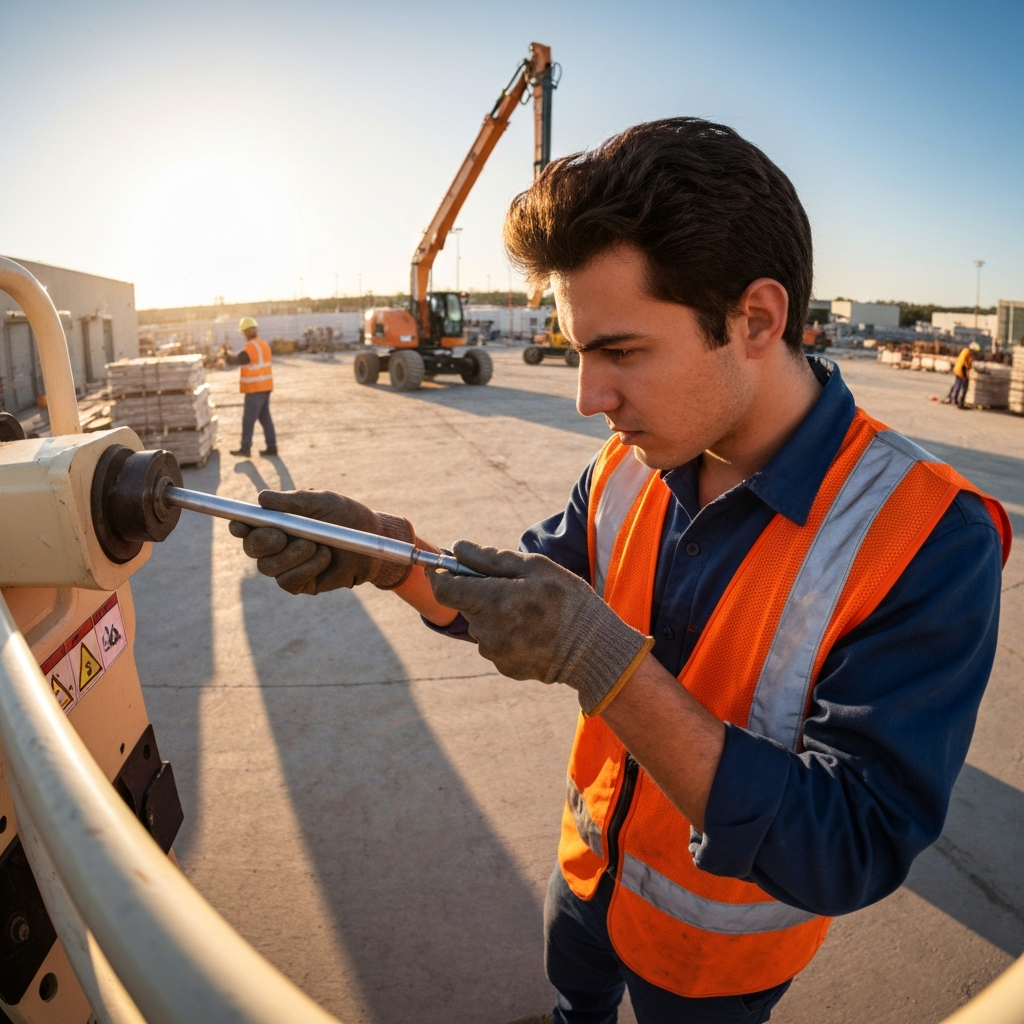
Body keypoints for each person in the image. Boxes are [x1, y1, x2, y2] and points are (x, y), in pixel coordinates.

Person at [228, 119, 1010, 1024]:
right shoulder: (627, 463)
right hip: (589, 876)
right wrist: (387, 551)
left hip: (713, 959)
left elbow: (854, 844)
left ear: (756, 317)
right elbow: (525, 601)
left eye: (623, 351)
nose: (587, 396)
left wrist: (606, 664)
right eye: (581, 348)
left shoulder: (926, 533)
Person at [224, 316, 277, 458]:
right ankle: (272, 447)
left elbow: (239, 359)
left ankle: (245, 449)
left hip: (255, 389)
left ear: (245, 332)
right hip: (266, 386)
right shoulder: (263, 344)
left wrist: (226, 356)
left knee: (248, 420)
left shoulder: (250, 347)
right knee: (265, 418)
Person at [946, 341, 981, 408]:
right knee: (958, 385)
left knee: (956, 384)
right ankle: (955, 400)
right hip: (960, 371)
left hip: (960, 370)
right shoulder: (966, 352)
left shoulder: (968, 353)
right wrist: (965, 375)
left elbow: (968, 364)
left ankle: (951, 397)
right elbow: (964, 364)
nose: (975, 353)